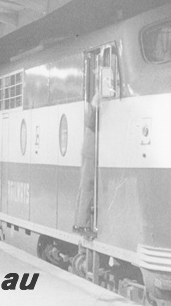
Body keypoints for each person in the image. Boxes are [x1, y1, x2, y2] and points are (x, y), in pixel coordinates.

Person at [73, 90, 99, 236]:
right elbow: (90, 122)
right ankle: (83, 226)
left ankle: (81, 225)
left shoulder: (97, 96)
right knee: (87, 187)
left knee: (85, 187)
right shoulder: (98, 96)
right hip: (91, 148)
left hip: (90, 147)